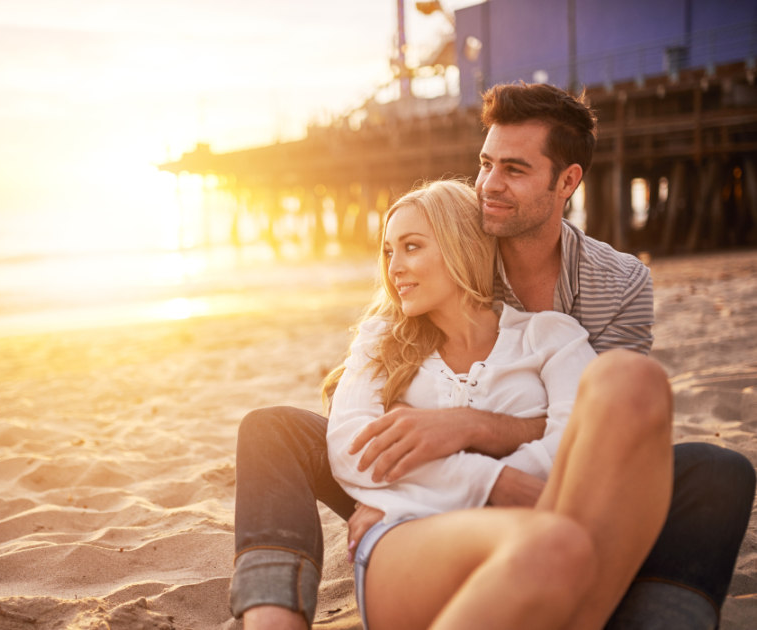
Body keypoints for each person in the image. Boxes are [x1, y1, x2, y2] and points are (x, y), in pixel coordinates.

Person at [231, 83, 756, 630]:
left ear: (568, 181)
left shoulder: (610, 290)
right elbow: (361, 419)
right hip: (422, 484)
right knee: (275, 430)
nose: (489, 186)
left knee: (718, 469)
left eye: (514, 169)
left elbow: (597, 432)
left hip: (545, 488)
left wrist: (464, 427)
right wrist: (414, 487)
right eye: (485, 164)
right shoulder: (436, 272)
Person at [326, 178, 671, 630]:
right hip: (411, 539)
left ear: (461, 245)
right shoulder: (380, 342)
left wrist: (440, 465)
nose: (395, 268)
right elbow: (354, 449)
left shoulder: (549, 336)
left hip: (544, 526)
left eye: (411, 247)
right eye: (389, 252)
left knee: (634, 378)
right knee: (554, 544)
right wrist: (492, 481)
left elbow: (574, 446)